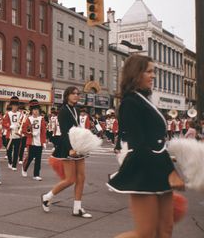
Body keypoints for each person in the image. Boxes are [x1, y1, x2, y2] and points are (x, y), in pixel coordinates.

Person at [107, 55, 185, 238]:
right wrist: (170, 171)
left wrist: (170, 168)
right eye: (149, 71)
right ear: (136, 74)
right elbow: (140, 145)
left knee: (166, 230)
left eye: (153, 71)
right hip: (142, 170)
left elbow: (157, 142)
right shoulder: (130, 102)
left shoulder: (144, 99)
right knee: (145, 233)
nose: (153, 76)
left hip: (159, 169)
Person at [41, 86, 92, 218]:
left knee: (81, 177)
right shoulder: (63, 111)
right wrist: (70, 148)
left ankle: (77, 208)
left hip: (78, 145)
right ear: (67, 95)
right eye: (73, 93)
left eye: (77, 94)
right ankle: (47, 197)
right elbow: (64, 132)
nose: (76, 96)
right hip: (67, 147)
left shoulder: (75, 109)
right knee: (70, 179)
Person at [21, 99, 46, 181]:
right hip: (31, 142)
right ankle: (24, 169)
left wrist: (44, 142)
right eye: (34, 110)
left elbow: (43, 131)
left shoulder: (41, 119)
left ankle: (36, 175)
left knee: (38, 159)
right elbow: (24, 130)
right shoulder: (28, 119)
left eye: (37, 110)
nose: (36, 111)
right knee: (30, 158)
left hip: (39, 142)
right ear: (31, 111)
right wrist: (31, 134)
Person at [2, 96, 22, 171]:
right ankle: (10, 162)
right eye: (14, 105)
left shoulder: (20, 114)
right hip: (9, 135)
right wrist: (9, 126)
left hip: (17, 135)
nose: (15, 107)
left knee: (16, 150)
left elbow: (22, 122)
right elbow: (4, 123)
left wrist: (20, 125)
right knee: (9, 150)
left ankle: (14, 165)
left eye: (16, 105)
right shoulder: (8, 114)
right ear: (11, 106)